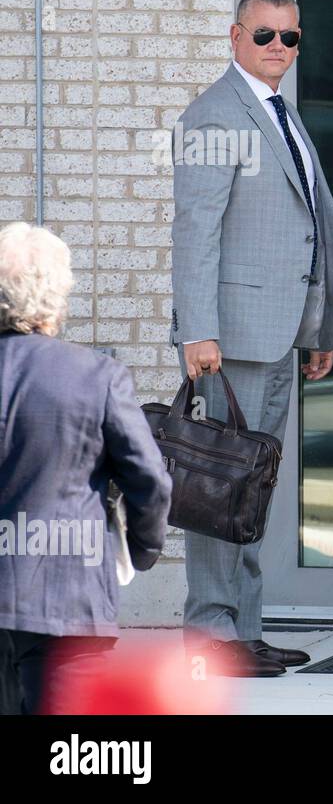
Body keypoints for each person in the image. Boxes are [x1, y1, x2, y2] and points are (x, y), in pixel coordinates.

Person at [170, 0, 333, 677]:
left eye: (290, 37)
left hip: (276, 336)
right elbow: (196, 234)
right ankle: (211, 636)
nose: (279, 48)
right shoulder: (218, 115)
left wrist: (318, 326)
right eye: (265, 34)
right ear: (235, 37)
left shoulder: (278, 112)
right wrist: (197, 332)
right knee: (218, 492)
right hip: (230, 342)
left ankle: (243, 629)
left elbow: (305, 228)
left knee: (250, 491)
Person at [0, 223, 172, 714]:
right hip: (68, 597)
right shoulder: (95, 376)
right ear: (57, 297)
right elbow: (151, 481)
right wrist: (140, 550)